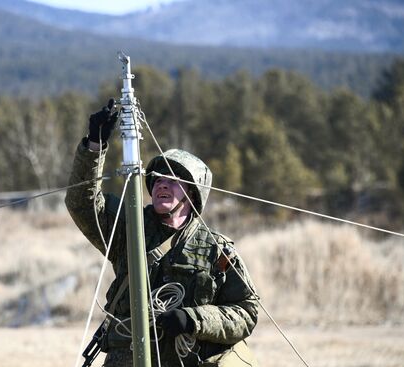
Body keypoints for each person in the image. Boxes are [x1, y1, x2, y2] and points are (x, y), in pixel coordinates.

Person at [65, 99, 259, 367]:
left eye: (172, 181)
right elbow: (81, 204)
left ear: (192, 194)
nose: (161, 186)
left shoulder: (216, 249)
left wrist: (194, 319)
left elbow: (246, 312)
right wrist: (93, 147)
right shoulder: (128, 227)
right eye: (156, 179)